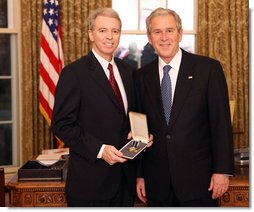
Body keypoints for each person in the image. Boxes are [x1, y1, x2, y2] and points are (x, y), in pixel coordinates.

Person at [51, 8, 152, 207]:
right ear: (91, 34)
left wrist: (141, 135)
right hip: (90, 185)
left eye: (115, 31)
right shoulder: (74, 73)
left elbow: (133, 117)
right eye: (103, 30)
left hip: (125, 182)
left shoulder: (128, 71)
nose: (110, 37)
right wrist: (100, 149)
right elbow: (61, 125)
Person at [134, 7, 234, 207]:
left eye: (170, 30)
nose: (164, 37)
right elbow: (139, 129)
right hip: (157, 184)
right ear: (149, 37)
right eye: (157, 32)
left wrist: (222, 170)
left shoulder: (208, 69)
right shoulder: (140, 76)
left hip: (200, 182)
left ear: (180, 34)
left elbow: (220, 124)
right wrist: (140, 175)